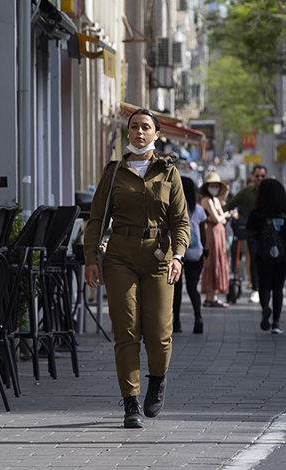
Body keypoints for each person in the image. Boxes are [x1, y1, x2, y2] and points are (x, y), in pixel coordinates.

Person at [83, 108, 189, 429]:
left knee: (158, 331)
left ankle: (156, 379)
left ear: (157, 134)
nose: (139, 132)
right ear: (127, 133)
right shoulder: (114, 172)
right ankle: (131, 403)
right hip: (120, 256)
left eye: (146, 127)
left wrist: (178, 256)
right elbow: (97, 219)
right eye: (134, 127)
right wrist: (90, 259)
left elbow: (180, 221)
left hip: (159, 257)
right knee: (126, 329)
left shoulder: (168, 172)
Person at [246, 179, 286, 334]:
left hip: (264, 253)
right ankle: (276, 323)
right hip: (284, 254)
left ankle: (265, 307)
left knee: (265, 285)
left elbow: (250, 233)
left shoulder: (258, 212)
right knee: (278, 287)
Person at [224, 165, 268, 302]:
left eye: (262, 176)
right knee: (254, 260)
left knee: (267, 260)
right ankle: (256, 289)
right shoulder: (247, 192)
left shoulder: (271, 191)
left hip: (269, 232)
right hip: (252, 232)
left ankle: (266, 287)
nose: (260, 178)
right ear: (253, 177)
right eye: (257, 176)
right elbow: (231, 204)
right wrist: (219, 213)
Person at [173, 177, 206, 334]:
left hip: (176, 253)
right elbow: (203, 234)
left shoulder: (174, 207)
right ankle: (198, 317)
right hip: (195, 253)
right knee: (193, 288)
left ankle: (176, 321)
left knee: (176, 288)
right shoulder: (198, 209)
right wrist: (205, 251)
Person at [199, 172, 234, 308]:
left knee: (219, 261)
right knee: (212, 262)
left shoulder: (216, 200)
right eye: (211, 185)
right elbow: (217, 219)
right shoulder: (206, 200)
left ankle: (213, 296)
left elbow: (221, 218)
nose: (214, 188)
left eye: (216, 186)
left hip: (219, 234)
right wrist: (225, 215)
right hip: (212, 234)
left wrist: (224, 216)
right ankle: (210, 296)